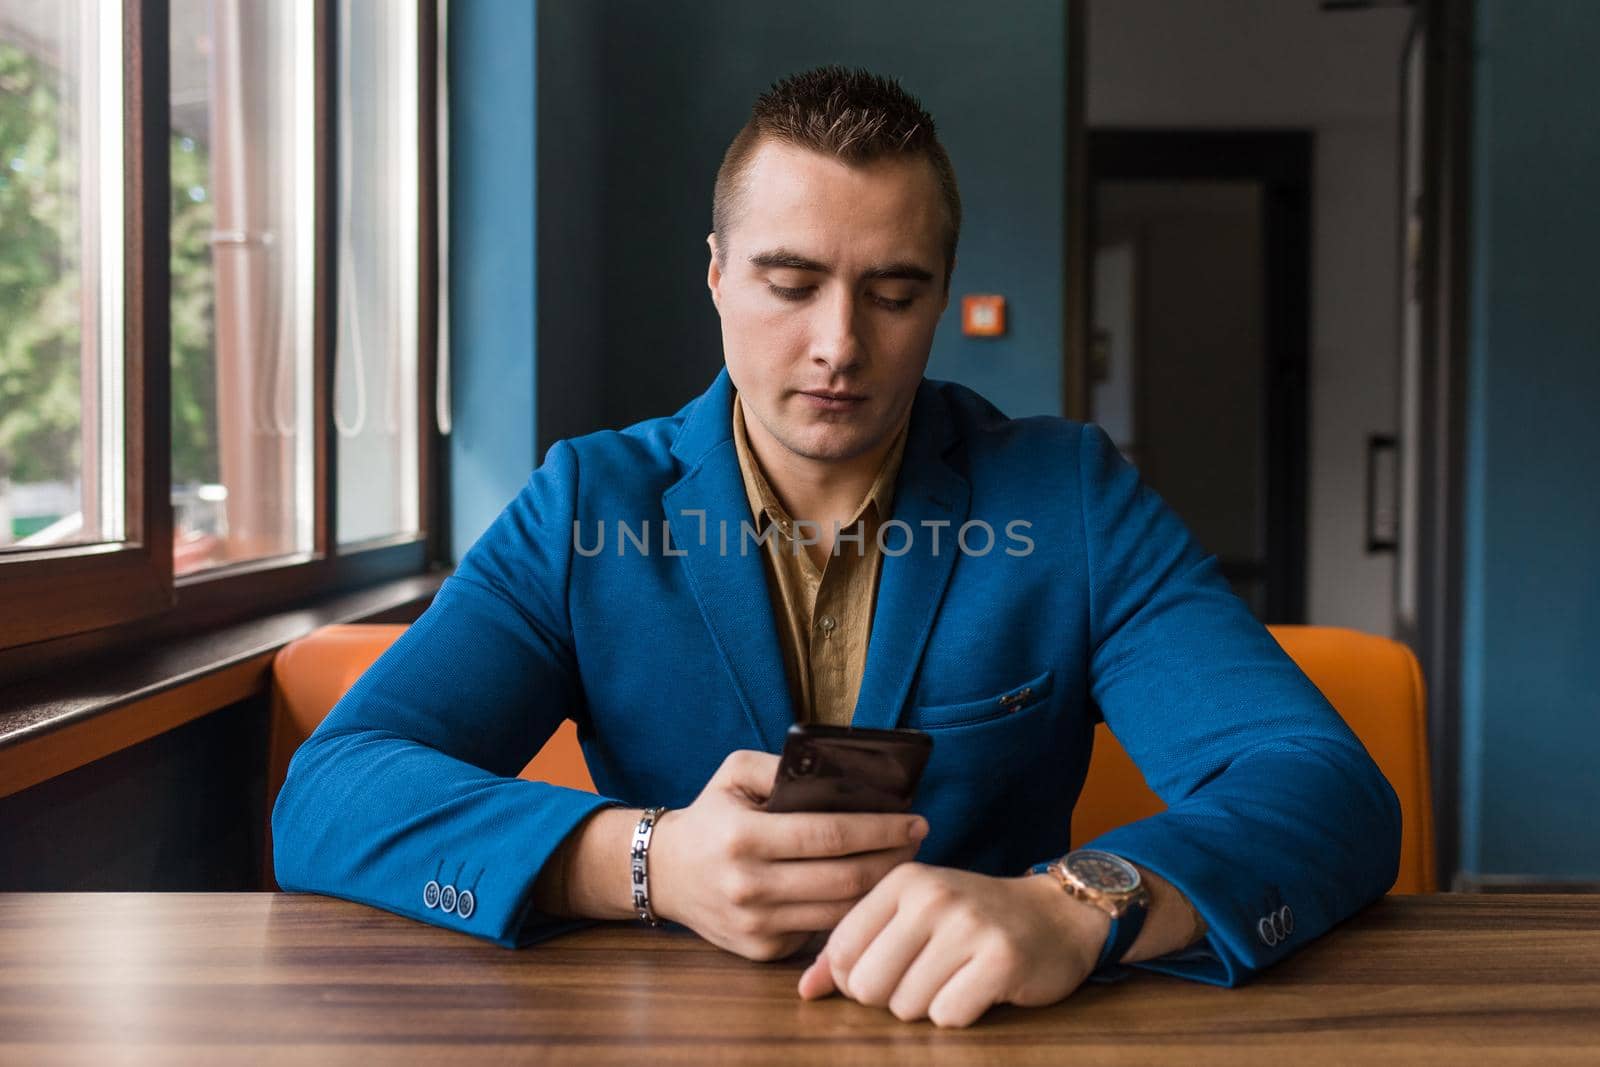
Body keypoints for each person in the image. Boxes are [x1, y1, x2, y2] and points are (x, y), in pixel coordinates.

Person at [273, 65, 1400, 1029]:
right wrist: (646, 861)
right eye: (789, 282)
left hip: (985, 1036)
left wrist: (1076, 901)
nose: (838, 345)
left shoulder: (1071, 497)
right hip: (669, 1034)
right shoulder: (586, 504)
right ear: (716, 272)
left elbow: (1325, 788)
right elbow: (331, 792)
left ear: (942, 296)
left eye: (893, 293)